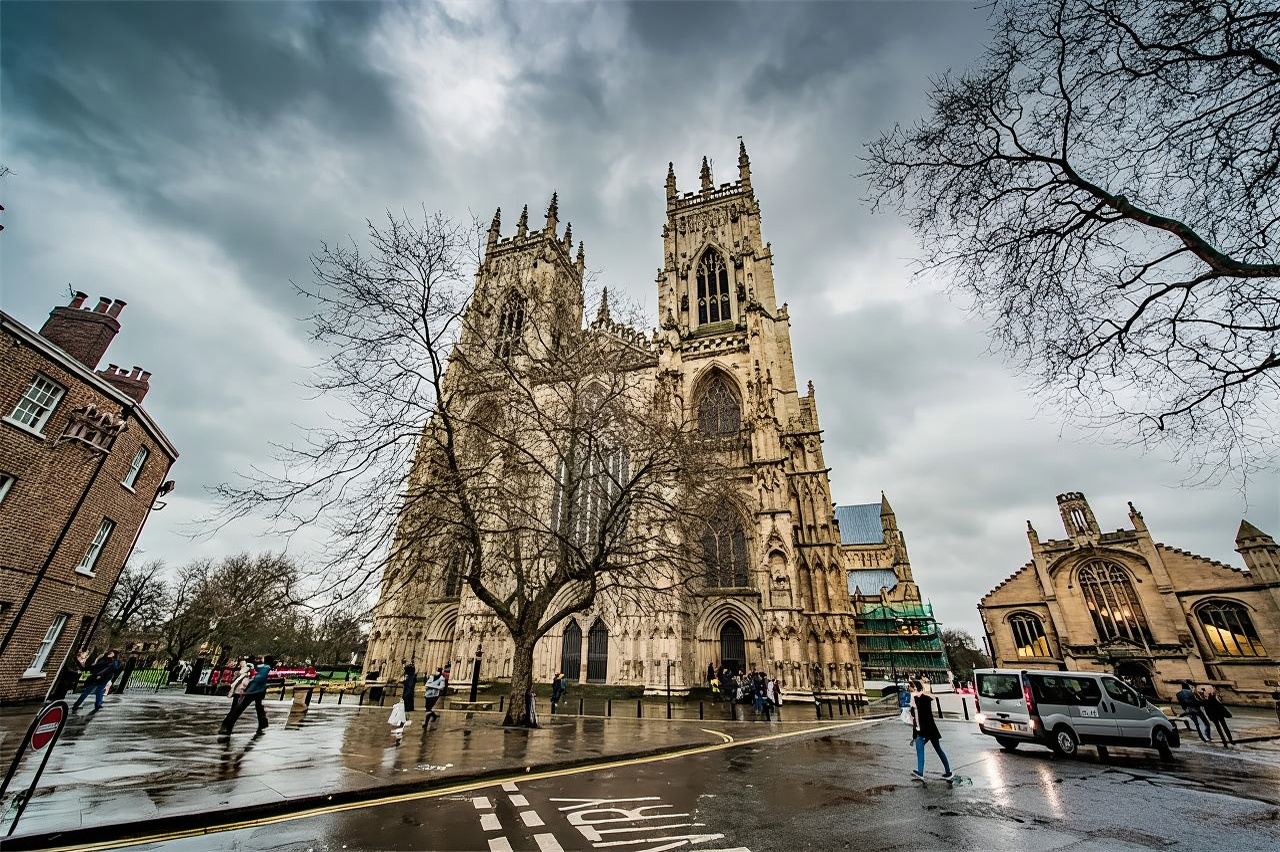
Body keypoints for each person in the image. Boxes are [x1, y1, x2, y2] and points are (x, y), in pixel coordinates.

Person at [909, 679, 952, 782]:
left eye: (910, 688)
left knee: (935, 749)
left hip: (927, 730)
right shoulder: (915, 701)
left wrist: (924, 735)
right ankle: (947, 772)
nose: (909, 690)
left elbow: (927, 718)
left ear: (915, 688)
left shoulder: (923, 700)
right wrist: (914, 736)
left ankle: (923, 773)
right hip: (925, 730)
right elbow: (915, 720)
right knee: (931, 749)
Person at [219, 656, 274, 736]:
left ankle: (227, 726)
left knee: (240, 709)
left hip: (252, 691)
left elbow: (259, 678)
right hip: (259, 691)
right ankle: (262, 723)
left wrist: (250, 685)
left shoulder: (264, 668)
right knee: (258, 708)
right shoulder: (266, 668)